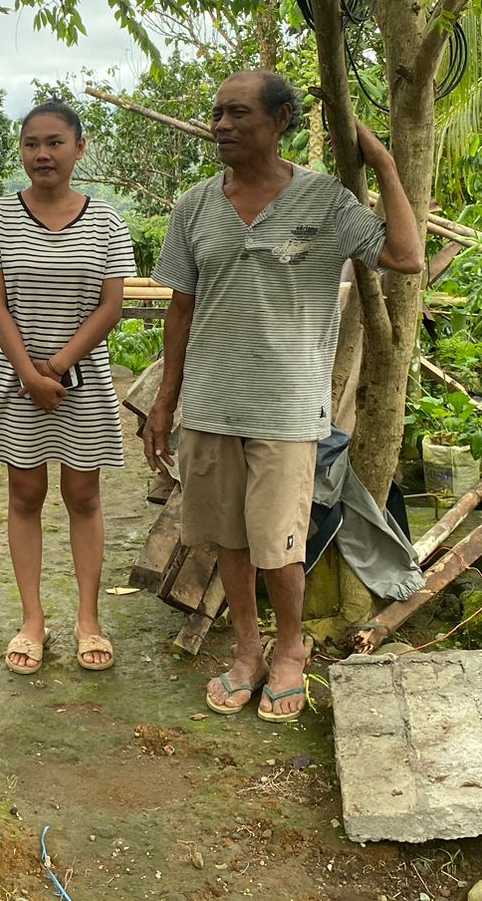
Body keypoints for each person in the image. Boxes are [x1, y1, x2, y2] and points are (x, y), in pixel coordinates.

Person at [143, 72, 422, 722]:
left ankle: (291, 651)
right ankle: (247, 653)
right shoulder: (193, 206)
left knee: (279, 542)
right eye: (216, 113)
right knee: (231, 541)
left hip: (288, 408)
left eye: (238, 113)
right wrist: (164, 403)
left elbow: (406, 257)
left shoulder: (326, 203)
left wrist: (379, 160)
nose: (221, 125)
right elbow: (180, 309)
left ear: (281, 121)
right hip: (211, 403)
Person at [0, 101, 136, 675]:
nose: (43, 154)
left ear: (79, 149)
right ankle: (32, 619)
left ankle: (89, 618)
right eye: (32, 143)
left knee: (83, 496)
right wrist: (28, 375)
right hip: (16, 380)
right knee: (25, 495)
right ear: (22, 151)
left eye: (56, 142)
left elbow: (113, 305)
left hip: (81, 380)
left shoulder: (107, 221)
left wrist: (55, 367)